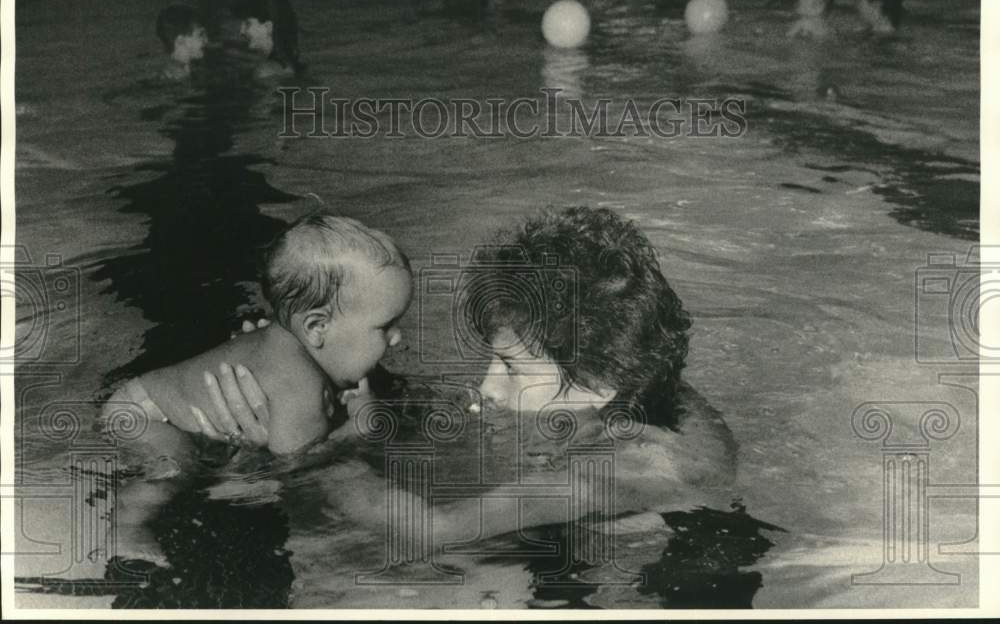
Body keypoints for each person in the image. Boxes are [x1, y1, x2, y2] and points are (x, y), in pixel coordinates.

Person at [202, 206, 736, 551]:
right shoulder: (629, 377)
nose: (484, 388)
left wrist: (301, 455)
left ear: (599, 385)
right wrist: (313, 370)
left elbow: (431, 532)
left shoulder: (609, 474)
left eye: (509, 369)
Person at [99, 211, 411, 561]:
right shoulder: (299, 385)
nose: (397, 338)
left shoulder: (284, 342)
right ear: (317, 328)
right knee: (175, 465)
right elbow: (298, 466)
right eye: (385, 327)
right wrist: (357, 430)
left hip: (140, 397)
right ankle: (124, 528)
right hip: (147, 416)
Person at [231, 0, 302, 77]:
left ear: (268, 27)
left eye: (247, 23)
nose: (241, 31)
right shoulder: (288, 66)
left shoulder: (264, 72)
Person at [155, 5, 208, 80]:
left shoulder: (180, 72)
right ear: (180, 41)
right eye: (200, 34)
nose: (206, 40)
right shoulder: (173, 79)